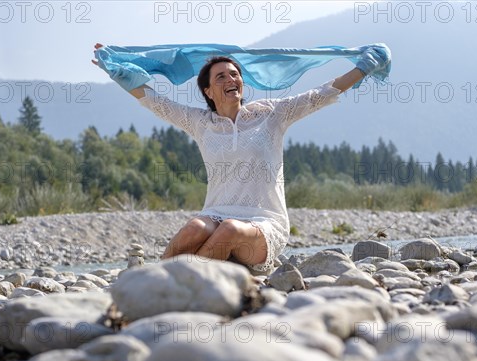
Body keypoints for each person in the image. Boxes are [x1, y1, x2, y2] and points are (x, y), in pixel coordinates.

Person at [92, 43, 389, 272]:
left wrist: (365, 67)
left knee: (231, 230)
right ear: (208, 90)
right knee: (196, 227)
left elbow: (322, 93)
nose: (231, 78)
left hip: (264, 223)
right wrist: (116, 70)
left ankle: (182, 284)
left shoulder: (270, 114)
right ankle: (157, 281)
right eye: (221, 76)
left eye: (235, 74)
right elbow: (155, 101)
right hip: (216, 213)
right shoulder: (199, 122)